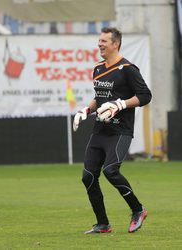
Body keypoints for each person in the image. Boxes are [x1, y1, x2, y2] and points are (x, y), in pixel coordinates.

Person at [73, 27, 152, 234]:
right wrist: (86, 110)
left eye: (104, 41)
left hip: (120, 132)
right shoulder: (98, 68)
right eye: (99, 40)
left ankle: (138, 210)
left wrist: (121, 105)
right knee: (88, 176)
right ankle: (103, 224)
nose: (99, 44)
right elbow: (99, 98)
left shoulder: (128, 68)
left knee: (110, 170)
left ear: (115, 44)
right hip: (99, 131)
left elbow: (145, 96)